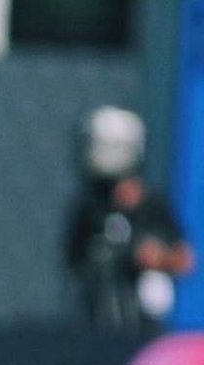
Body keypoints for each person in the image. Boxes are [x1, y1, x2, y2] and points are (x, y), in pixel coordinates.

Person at [66, 105, 195, 333]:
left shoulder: (152, 205)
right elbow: (72, 259)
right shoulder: (90, 208)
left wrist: (155, 258)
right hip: (97, 313)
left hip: (141, 319)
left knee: (155, 290)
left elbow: (185, 260)